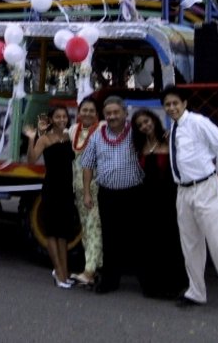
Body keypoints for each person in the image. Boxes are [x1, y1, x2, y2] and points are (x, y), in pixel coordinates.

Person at [162, 85, 218, 315]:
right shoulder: (173, 128)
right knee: (190, 244)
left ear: (184, 103)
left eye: (175, 103)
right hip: (183, 192)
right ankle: (196, 292)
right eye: (168, 104)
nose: (172, 107)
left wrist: (215, 171)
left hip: (205, 188)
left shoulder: (197, 122)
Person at [80, 96, 146, 295]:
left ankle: (145, 280)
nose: (112, 116)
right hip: (107, 194)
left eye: (116, 112)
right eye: (108, 113)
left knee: (137, 237)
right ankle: (110, 280)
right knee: (110, 237)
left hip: (133, 193)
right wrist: (86, 193)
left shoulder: (136, 132)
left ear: (125, 113)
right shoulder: (97, 137)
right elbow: (87, 165)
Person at [131, 108, 189, 298]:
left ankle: (173, 285)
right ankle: (152, 285)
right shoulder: (139, 146)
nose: (144, 126)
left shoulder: (169, 140)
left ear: (154, 120)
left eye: (146, 121)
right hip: (146, 201)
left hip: (168, 199)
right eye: (140, 125)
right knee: (150, 242)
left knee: (170, 240)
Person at [25, 106, 77, 289]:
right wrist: (32, 138)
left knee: (64, 233)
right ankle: (59, 274)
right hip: (52, 188)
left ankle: (64, 272)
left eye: (64, 116)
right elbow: (31, 160)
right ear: (51, 119)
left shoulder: (70, 137)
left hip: (67, 189)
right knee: (52, 232)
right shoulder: (45, 139)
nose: (62, 119)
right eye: (57, 116)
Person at [67, 97, 103, 287]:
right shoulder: (74, 130)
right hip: (78, 186)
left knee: (94, 227)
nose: (87, 113)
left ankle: (89, 271)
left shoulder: (102, 129)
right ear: (79, 112)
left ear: (97, 114)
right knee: (85, 229)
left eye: (91, 110)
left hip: (95, 186)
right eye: (84, 110)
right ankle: (95, 267)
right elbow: (52, 130)